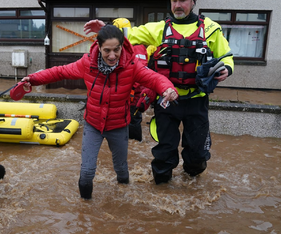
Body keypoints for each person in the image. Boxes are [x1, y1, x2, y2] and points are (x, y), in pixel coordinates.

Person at [84, 0, 234, 184]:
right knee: (164, 152)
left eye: (183, 0)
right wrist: (105, 29)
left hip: (197, 100)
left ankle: (192, 186)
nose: (178, 5)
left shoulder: (211, 29)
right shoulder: (158, 28)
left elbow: (226, 56)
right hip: (167, 101)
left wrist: (227, 68)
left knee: (197, 155)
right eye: (174, 1)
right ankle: (162, 188)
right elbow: (128, 36)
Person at [15, 24, 178, 199]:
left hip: (119, 126)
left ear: (122, 46)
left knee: (121, 169)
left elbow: (155, 78)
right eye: (107, 50)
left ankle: (123, 202)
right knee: (86, 172)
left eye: (117, 50)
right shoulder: (87, 63)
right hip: (93, 125)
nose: (113, 55)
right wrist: (33, 79)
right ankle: (86, 212)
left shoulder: (132, 66)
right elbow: (59, 72)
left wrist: (167, 89)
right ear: (98, 47)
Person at [113, 17, 158, 141]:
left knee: (133, 123)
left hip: (133, 95)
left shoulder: (136, 47)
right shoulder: (124, 46)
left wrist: (133, 92)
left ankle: (134, 147)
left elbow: (140, 72)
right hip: (126, 94)